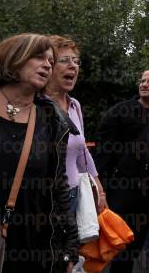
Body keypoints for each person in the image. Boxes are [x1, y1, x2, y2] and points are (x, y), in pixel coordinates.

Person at [0, 33, 78, 272]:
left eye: (51, 61)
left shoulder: (50, 119)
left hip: (33, 241)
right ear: (13, 58)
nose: (47, 65)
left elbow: (58, 185)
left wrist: (69, 247)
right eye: (38, 57)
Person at [95, 68, 149, 273]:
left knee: (134, 249)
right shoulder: (120, 112)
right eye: (142, 80)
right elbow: (103, 152)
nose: (144, 84)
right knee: (110, 244)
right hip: (120, 191)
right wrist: (102, 188)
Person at [45, 35, 107, 214]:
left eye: (76, 61)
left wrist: (99, 190)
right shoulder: (36, 105)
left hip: (77, 194)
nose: (73, 66)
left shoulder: (75, 105)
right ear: (48, 65)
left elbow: (82, 151)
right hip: (46, 200)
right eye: (64, 60)